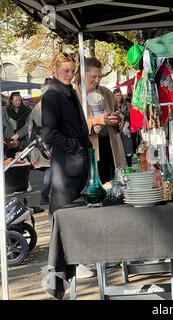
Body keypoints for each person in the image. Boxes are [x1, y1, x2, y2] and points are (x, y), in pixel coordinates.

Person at [41, 52, 95, 279]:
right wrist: (75, 146)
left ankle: (75, 259)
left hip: (77, 160)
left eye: (73, 70)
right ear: (54, 70)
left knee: (76, 211)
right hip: (66, 164)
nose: (70, 75)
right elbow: (48, 133)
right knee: (65, 212)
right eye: (65, 70)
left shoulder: (69, 92)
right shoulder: (52, 95)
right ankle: (65, 264)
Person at [74, 57, 125, 184]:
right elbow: (73, 124)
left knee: (112, 183)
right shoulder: (73, 95)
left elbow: (120, 116)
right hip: (89, 148)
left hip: (110, 145)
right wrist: (98, 121)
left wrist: (116, 118)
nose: (97, 80)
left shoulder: (106, 92)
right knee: (96, 183)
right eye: (93, 77)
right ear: (83, 75)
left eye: (99, 77)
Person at [27, 84, 52, 205]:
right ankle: (45, 194)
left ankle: (46, 194)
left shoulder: (36, 107)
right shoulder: (49, 106)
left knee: (51, 169)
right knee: (51, 169)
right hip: (50, 142)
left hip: (42, 142)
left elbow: (30, 130)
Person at [6, 91, 32, 156]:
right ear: (11, 100)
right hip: (9, 140)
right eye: (16, 100)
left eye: (19, 100)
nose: (18, 102)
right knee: (11, 159)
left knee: (24, 157)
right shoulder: (5, 111)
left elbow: (29, 124)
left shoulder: (27, 110)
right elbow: (3, 126)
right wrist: (3, 138)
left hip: (24, 138)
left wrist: (18, 134)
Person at [113, 88, 134, 166]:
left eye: (120, 95)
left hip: (125, 126)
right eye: (117, 95)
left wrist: (127, 124)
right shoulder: (111, 104)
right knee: (117, 147)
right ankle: (119, 166)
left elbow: (131, 117)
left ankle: (129, 165)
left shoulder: (127, 105)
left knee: (127, 147)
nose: (119, 97)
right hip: (115, 127)